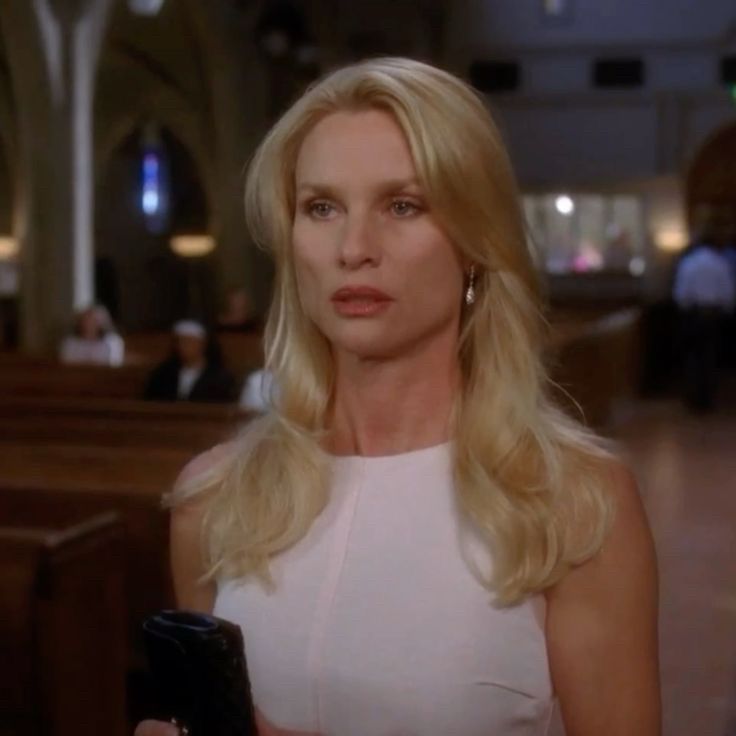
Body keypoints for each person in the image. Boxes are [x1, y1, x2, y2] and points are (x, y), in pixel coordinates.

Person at [137, 58, 660, 736]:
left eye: (403, 205)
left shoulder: (576, 503)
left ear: (474, 243)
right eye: (321, 208)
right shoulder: (216, 497)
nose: (354, 247)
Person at [673, 235, 735, 411]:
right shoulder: (720, 263)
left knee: (693, 356)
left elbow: (681, 293)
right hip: (714, 315)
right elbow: (728, 292)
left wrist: (684, 309)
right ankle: (707, 398)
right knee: (710, 356)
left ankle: (694, 398)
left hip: (694, 314)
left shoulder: (689, 263)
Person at [143, 320, 237, 403]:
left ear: (203, 344)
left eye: (188, 341)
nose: (182, 346)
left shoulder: (220, 377)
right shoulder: (162, 374)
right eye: (179, 342)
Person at [59, 303, 124, 366]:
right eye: (86, 320)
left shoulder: (112, 342)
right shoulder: (70, 343)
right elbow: (67, 364)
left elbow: (115, 364)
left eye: (94, 320)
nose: (89, 323)